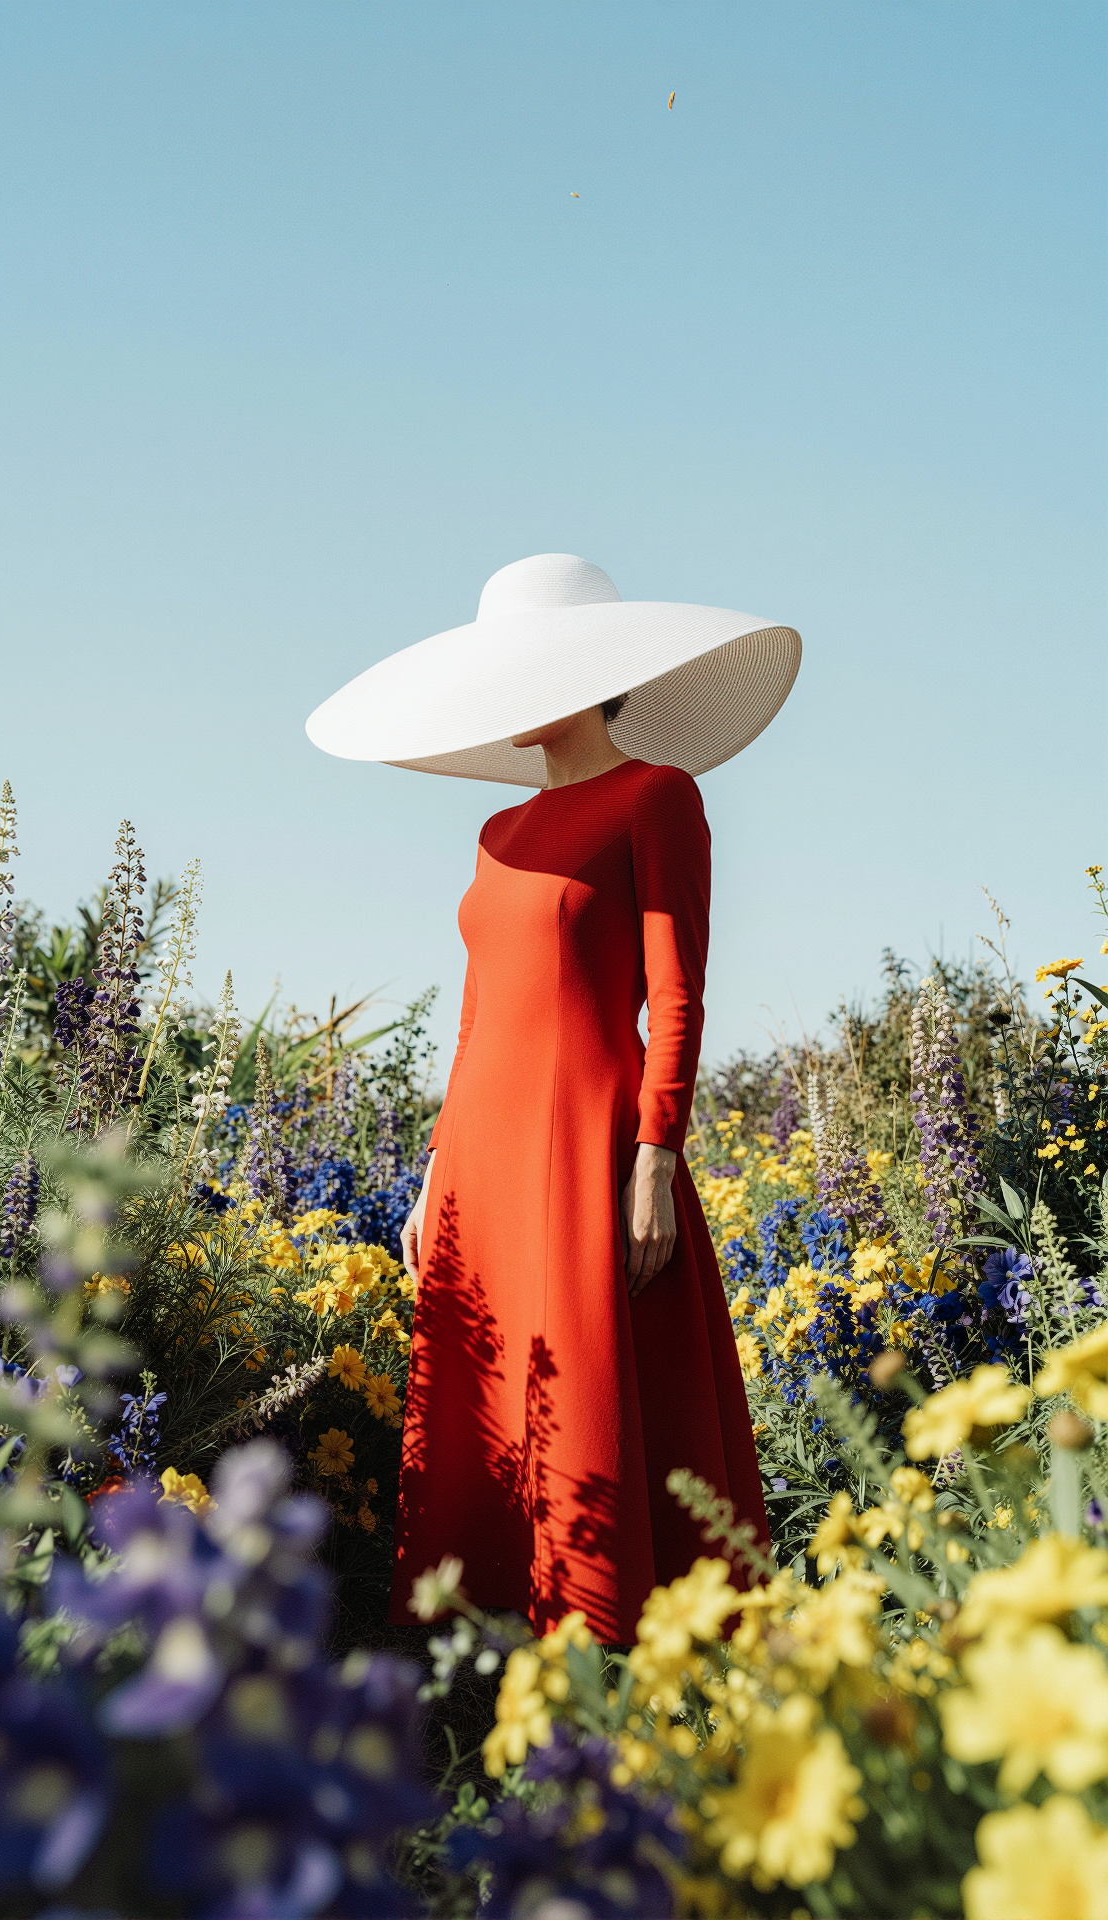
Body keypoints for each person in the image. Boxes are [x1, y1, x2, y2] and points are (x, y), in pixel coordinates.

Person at [306, 553, 801, 1643]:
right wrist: (434, 1169)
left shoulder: (658, 799)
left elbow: (675, 999)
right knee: (484, 1392)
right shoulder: (497, 835)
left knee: (587, 1385)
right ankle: (476, 1679)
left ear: (595, 674)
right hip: (484, 1153)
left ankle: (609, 1662)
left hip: (587, 1142)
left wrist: (654, 1158)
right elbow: (478, 1017)